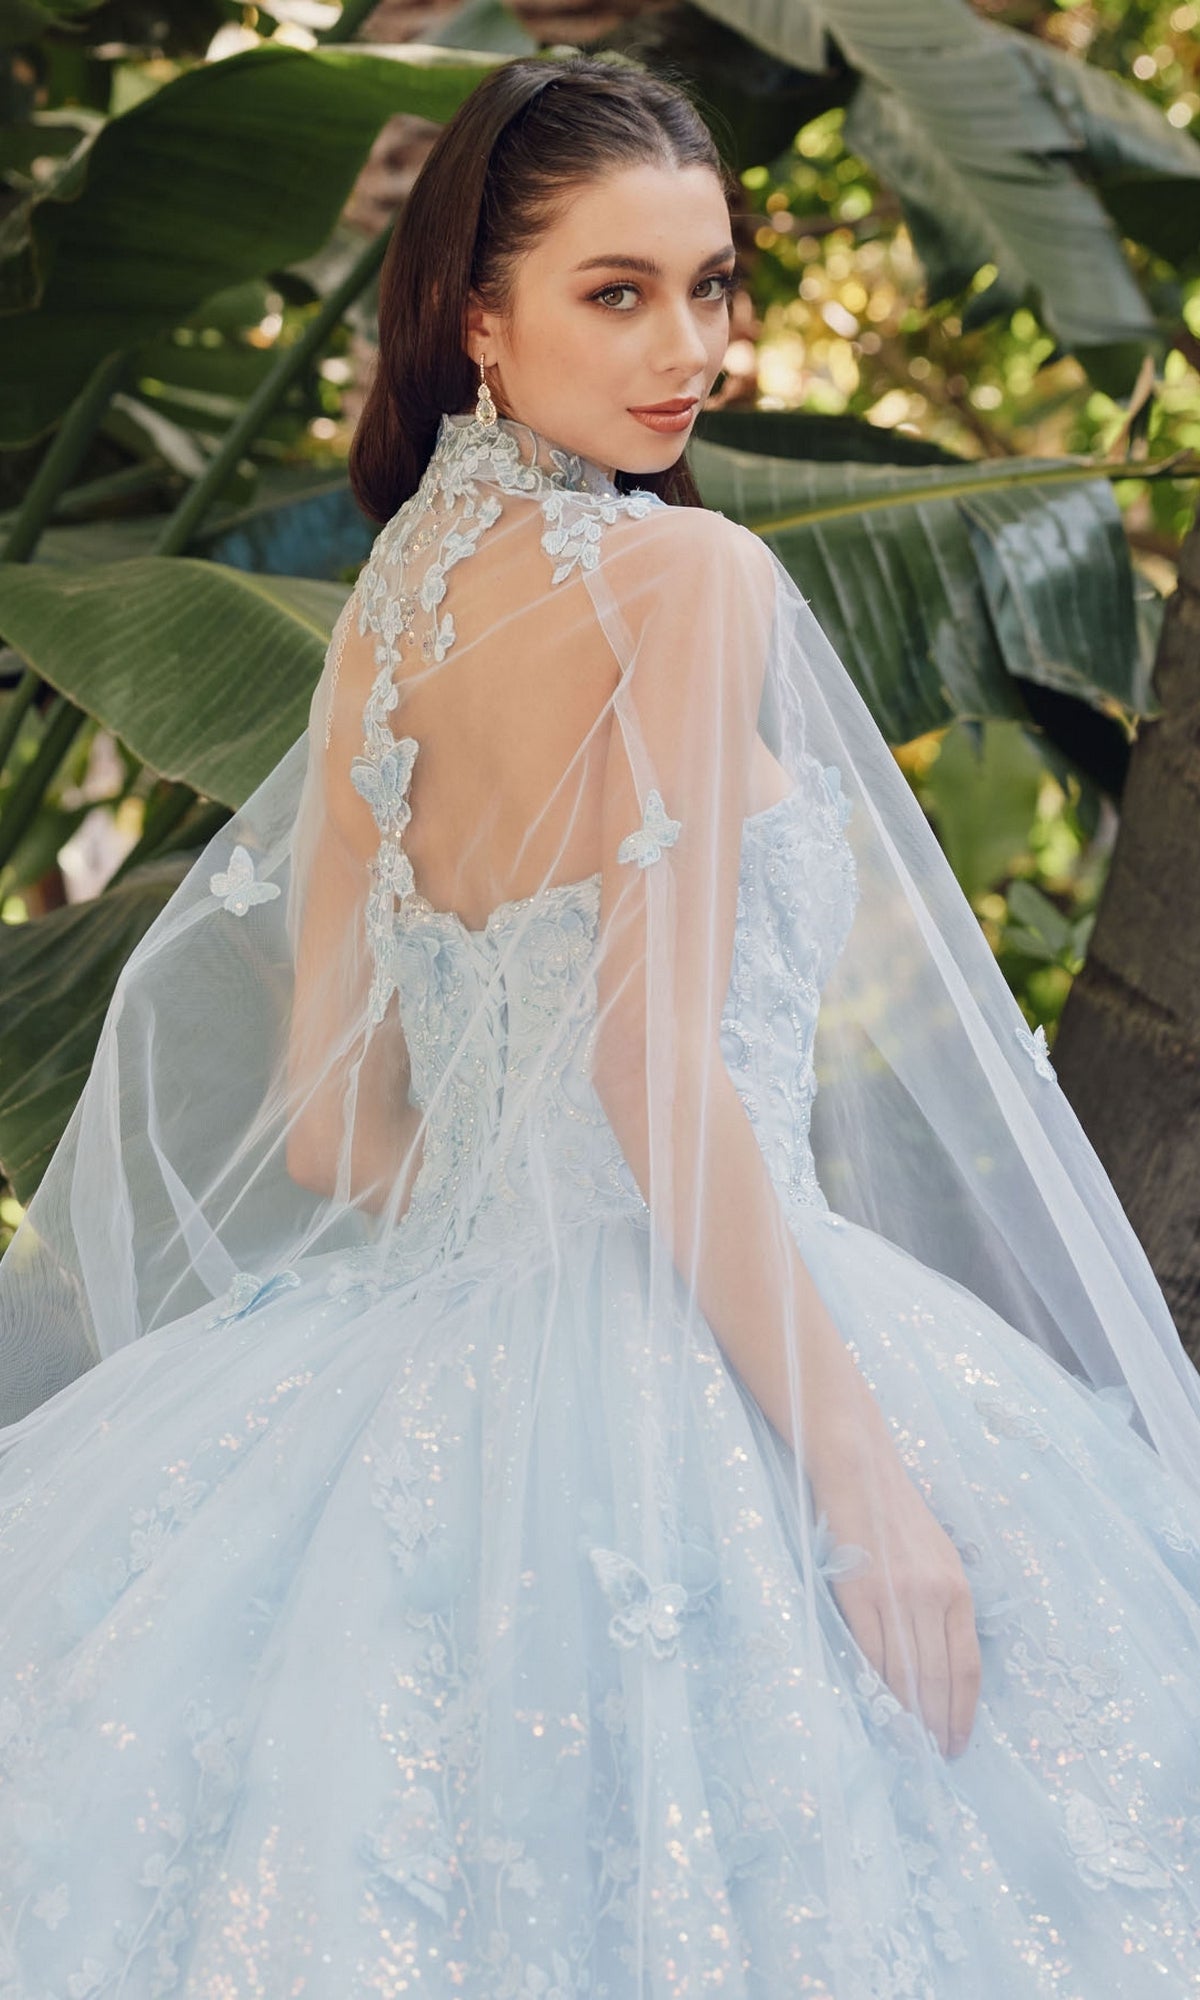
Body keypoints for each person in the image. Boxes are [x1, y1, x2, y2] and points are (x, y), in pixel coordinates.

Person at [1, 49, 1199, 2000]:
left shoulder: (390, 608)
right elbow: (655, 1068)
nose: (692, 348)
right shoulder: (690, 574)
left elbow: (326, 1123)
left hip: (427, 1345)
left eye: (712, 285)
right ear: (478, 316)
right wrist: (865, 1482)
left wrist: (502, 1230)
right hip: (703, 1351)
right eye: (618, 291)